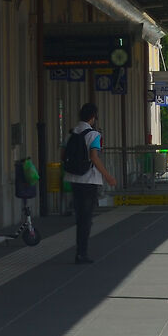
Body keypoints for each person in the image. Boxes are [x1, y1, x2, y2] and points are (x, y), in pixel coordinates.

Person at [63, 102, 115, 263]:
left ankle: (80, 251)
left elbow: (62, 155)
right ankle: (82, 253)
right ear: (93, 118)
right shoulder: (94, 135)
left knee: (80, 216)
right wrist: (107, 176)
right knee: (86, 218)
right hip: (89, 180)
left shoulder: (70, 134)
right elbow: (94, 157)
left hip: (73, 178)